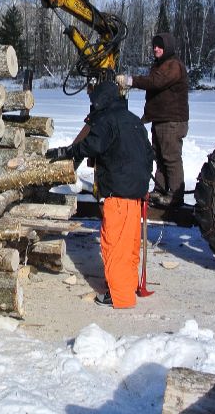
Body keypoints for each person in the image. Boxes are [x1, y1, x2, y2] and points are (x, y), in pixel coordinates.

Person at [46, 80, 153, 309]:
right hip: (136, 192)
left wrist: (67, 151)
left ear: (100, 100)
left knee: (114, 244)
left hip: (119, 191)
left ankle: (120, 296)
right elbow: (149, 154)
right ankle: (128, 284)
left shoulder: (107, 120)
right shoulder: (134, 120)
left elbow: (92, 146)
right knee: (130, 244)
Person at [116, 32, 189, 207]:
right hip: (161, 119)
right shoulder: (162, 64)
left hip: (171, 121)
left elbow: (156, 82)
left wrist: (130, 81)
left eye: (160, 46)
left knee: (171, 157)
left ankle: (176, 196)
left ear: (168, 48)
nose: (156, 49)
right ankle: (161, 190)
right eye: (155, 45)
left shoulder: (173, 65)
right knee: (160, 156)